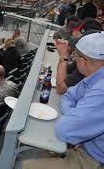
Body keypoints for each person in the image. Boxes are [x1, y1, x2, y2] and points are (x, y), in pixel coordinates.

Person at [22, 32, 104, 169]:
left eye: (75, 56)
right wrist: (77, 124)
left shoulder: (101, 90)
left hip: (94, 159)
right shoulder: (94, 77)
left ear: (83, 61)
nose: (74, 59)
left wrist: (75, 126)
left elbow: (63, 130)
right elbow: (68, 96)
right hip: (84, 145)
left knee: (25, 165)